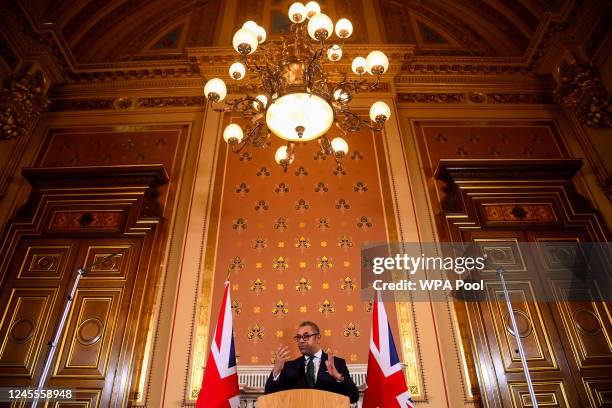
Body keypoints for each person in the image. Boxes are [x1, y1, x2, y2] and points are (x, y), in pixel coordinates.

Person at [264, 321, 359, 403]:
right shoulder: (290, 367)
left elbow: (353, 397)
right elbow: (268, 396)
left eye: (306, 336)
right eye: (298, 337)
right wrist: (276, 372)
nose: (301, 341)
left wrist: (338, 377)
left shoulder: (337, 363)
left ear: (318, 338)